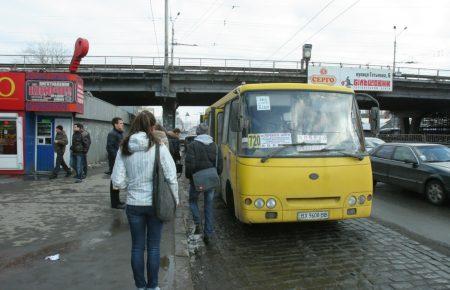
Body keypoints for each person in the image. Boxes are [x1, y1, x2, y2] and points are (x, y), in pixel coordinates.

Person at [111, 110, 178, 290]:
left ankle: (140, 286)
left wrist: (131, 183)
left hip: (133, 204)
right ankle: (153, 286)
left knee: (137, 248)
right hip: (155, 204)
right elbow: (171, 177)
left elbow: (116, 181)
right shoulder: (159, 146)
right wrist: (175, 202)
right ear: (151, 127)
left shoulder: (124, 148)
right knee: (154, 248)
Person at [185, 123, 223, 244]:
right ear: (207, 132)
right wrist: (215, 175)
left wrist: (190, 177)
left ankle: (197, 223)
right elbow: (220, 165)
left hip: (196, 180)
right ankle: (208, 233)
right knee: (208, 207)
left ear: (197, 132)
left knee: (192, 201)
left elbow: (189, 165)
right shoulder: (216, 146)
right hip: (211, 180)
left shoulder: (192, 146)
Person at [106, 117, 125, 209]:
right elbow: (110, 148)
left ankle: (117, 201)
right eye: (120, 123)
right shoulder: (112, 134)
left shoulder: (119, 133)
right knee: (114, 181)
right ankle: (115, 203)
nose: (122, 125)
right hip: (114, 161)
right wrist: (117, 159)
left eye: (122, 123)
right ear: (115, 124)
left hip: (118, 161)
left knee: (116, 180)